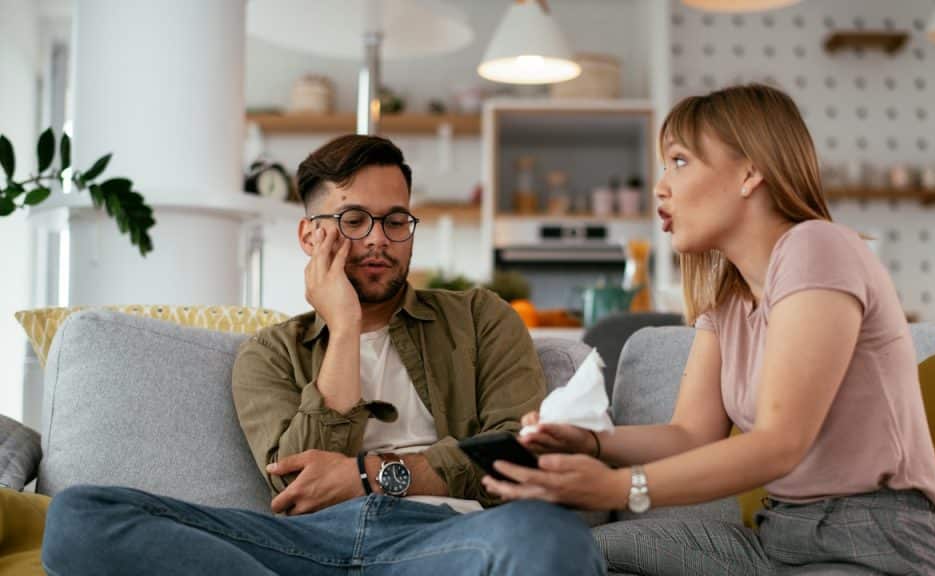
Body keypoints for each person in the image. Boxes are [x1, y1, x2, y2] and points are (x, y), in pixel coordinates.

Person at [42, 135, 604, 576]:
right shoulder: (269, 353)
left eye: (396, 220)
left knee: (552, 536)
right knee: (80, 516)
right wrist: (344, 327)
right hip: (301, 549)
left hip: (447, 542)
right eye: (354, 221)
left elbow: (511, 461)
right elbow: (296, 494)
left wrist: (370, 475)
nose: (379, 240)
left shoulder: (481, 318)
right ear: (311, 237)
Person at [484, 84, 935, 575]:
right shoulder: (728, 303)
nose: (660, 186)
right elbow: (691, 435)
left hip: (876, 539)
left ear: (751, 172)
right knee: (575, 550)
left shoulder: (817, 247)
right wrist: (591, 443)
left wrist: (618, 487)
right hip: (778, 537)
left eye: (679, 161)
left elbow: (781, 442)